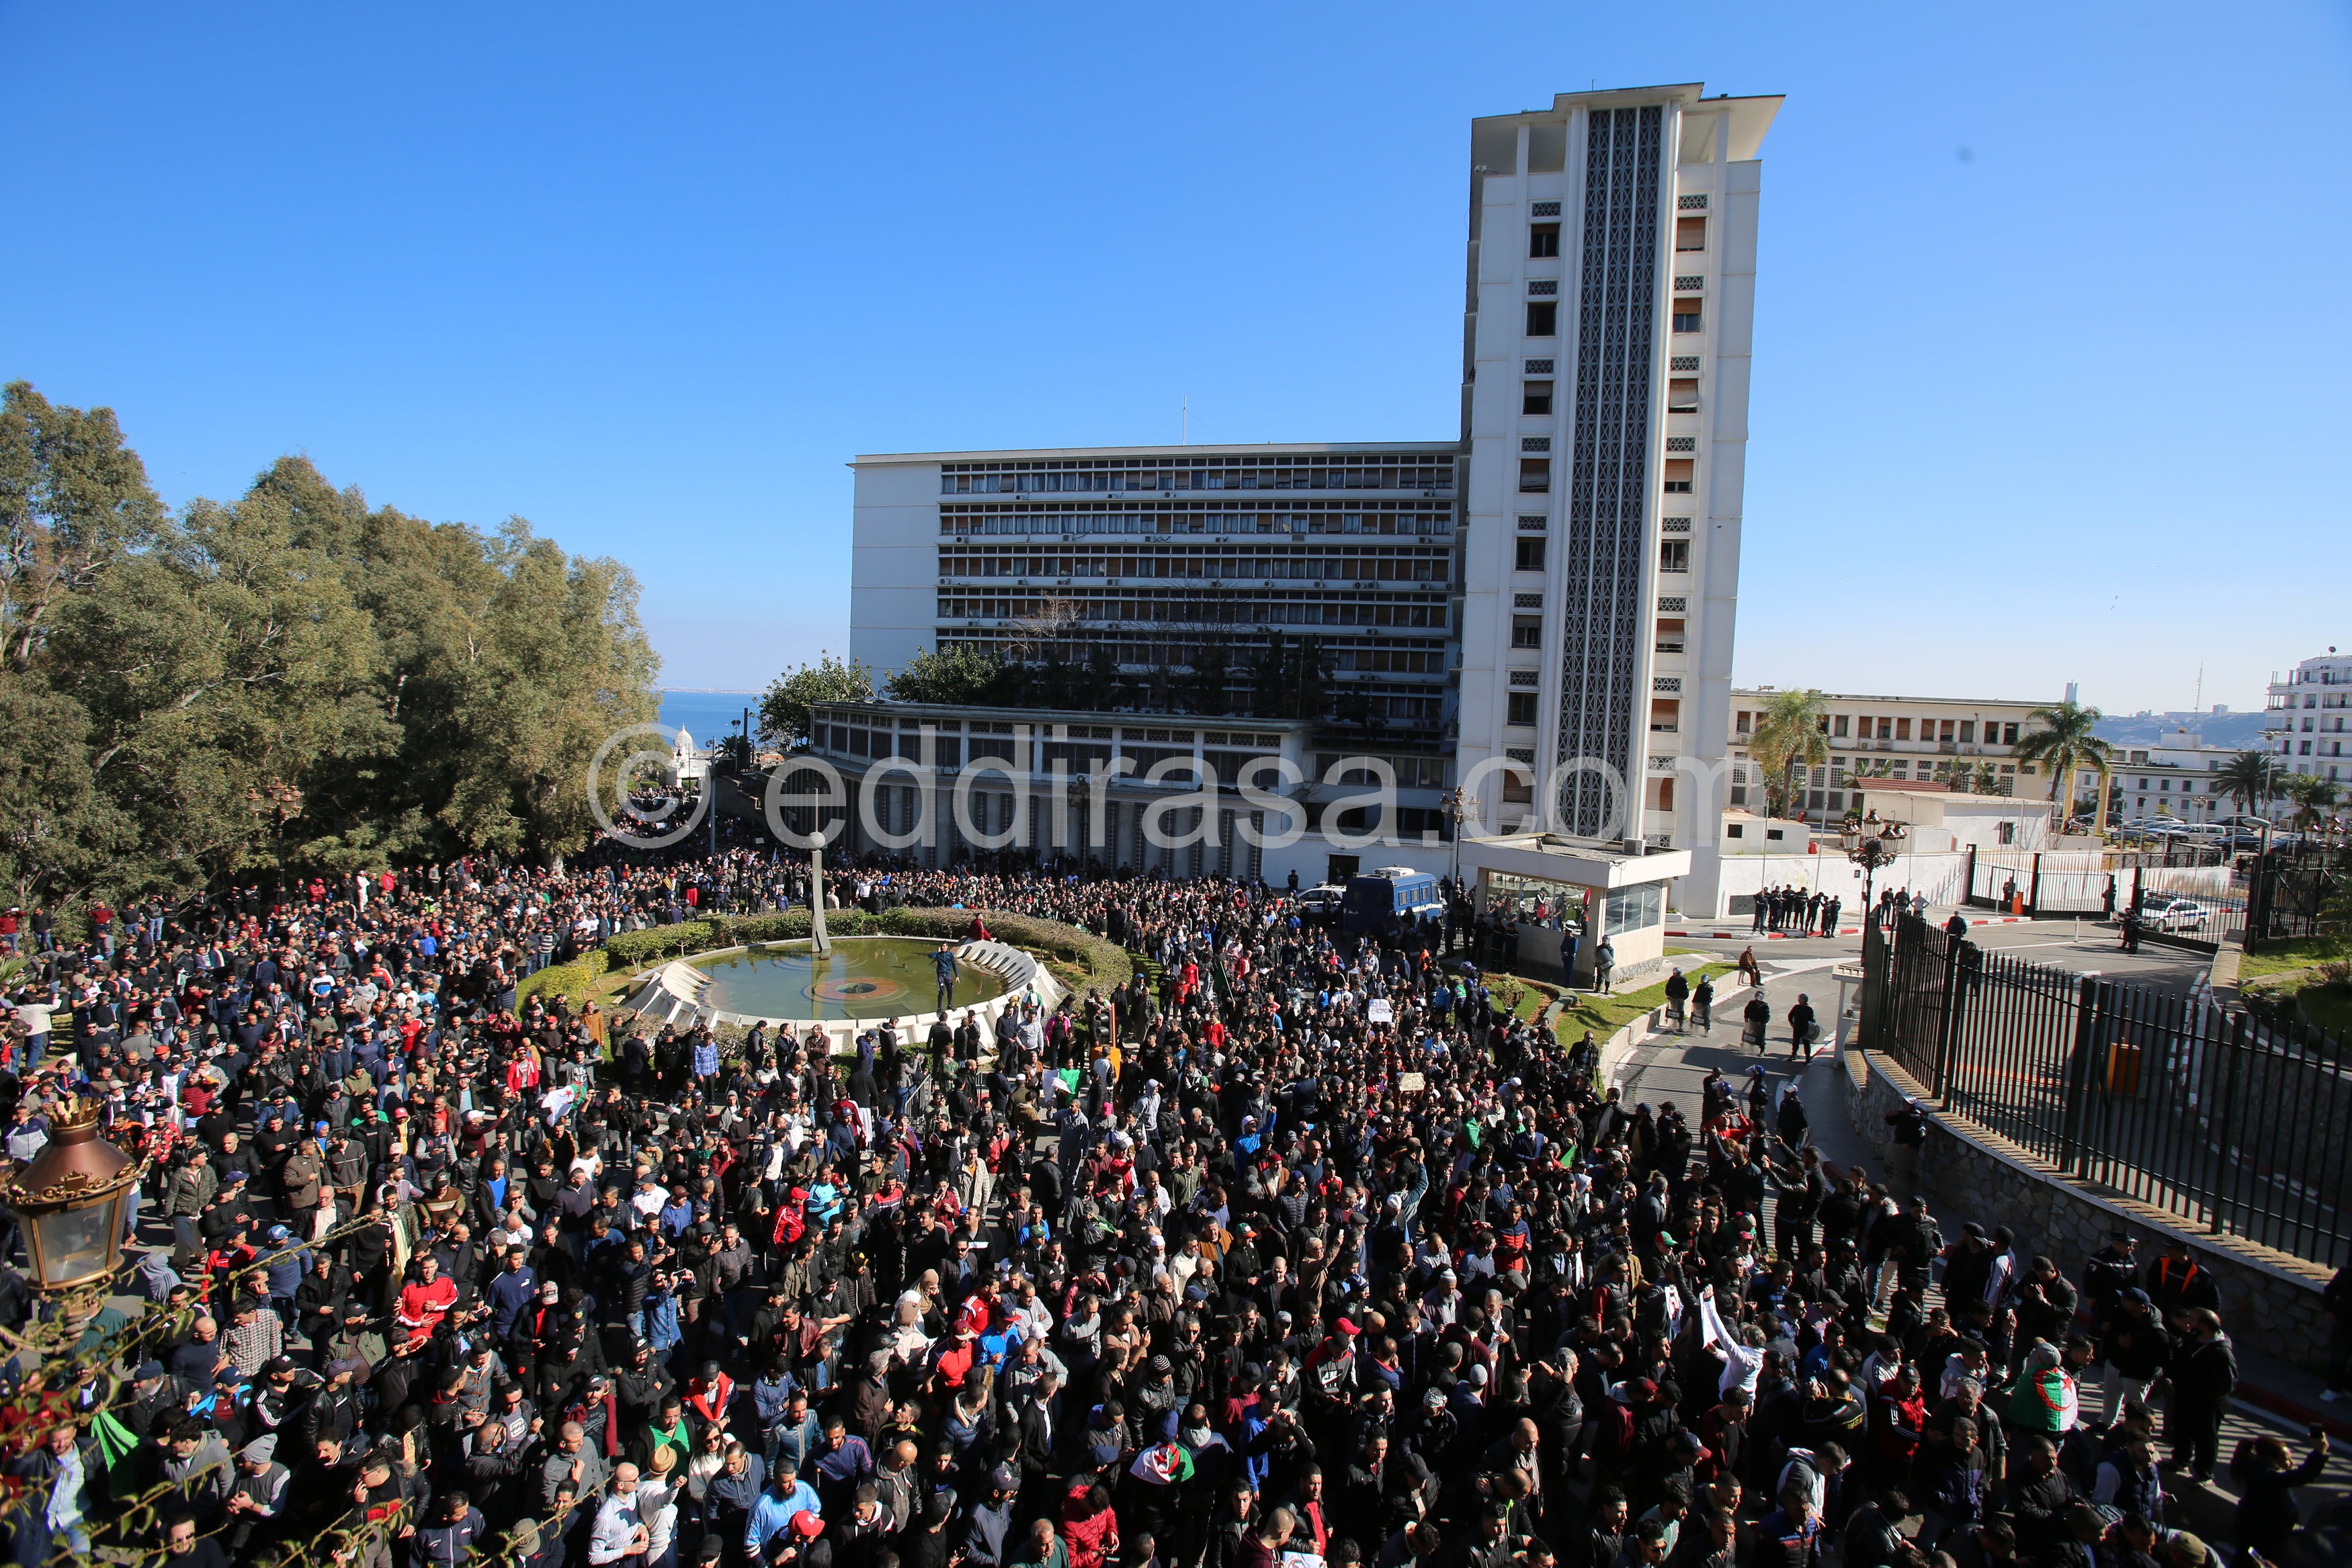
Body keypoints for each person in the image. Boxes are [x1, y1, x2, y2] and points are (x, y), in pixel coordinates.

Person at [1742, 993, 1772, 1057]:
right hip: (1752, 1021)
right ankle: (1749, 1048)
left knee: (1760, 1038)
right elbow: (1747, 1010)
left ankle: (1762, 1050)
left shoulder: (1764, 1006)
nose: (1756, 999)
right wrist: (1746, 1017)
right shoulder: (1752, 1003)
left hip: (1760, 1024)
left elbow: (1767, 1016)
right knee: (1750, 1035)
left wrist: (1762, 1022)